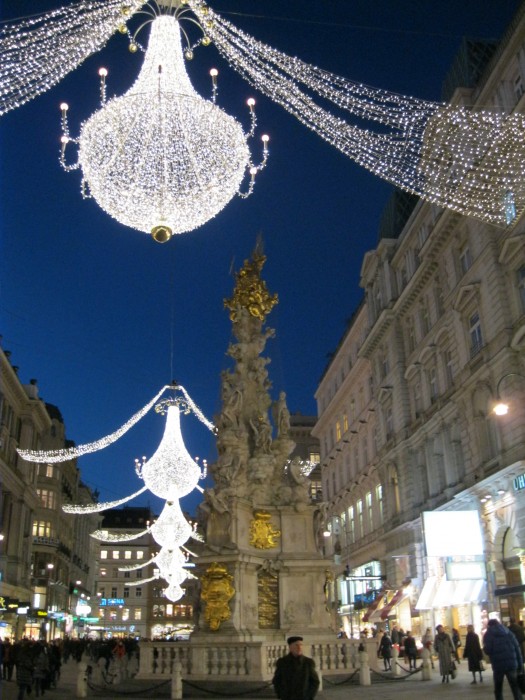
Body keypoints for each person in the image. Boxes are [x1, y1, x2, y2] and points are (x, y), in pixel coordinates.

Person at [483, 618, 523, 700]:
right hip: (511, 664)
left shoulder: (488, 634)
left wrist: (485, 648)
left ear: (489, 626)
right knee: (515, 687)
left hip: (498, 665)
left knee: (498, 689)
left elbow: (488, 650)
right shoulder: (508, 632)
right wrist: (520, 665)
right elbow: (517, 649)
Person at [273, 636, 320, 700]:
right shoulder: (282, 662)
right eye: (296, 645)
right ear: (290, 647)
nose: (299, 647)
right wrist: (281, 694)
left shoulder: (308, 662)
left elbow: (315, 681)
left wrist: (309, 696)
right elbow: (277, 680)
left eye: (301, 645)